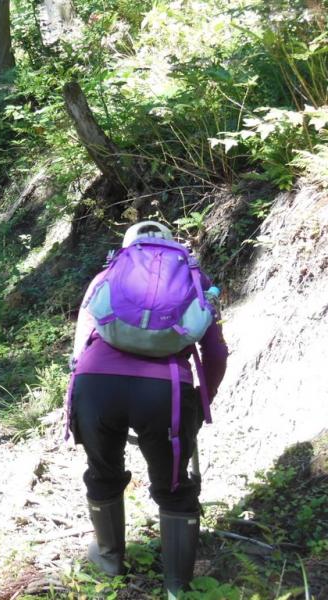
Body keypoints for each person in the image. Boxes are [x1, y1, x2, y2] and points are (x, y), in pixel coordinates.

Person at [67, 221, 228, 597]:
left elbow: (79, 349)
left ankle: (109, 562)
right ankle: (176, 587)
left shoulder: (106, 274)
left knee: (103, 473)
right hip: (166, 392)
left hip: (96, 385)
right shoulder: (195, 279)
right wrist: (204, 397)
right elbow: (215, 352)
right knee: (173, 487)